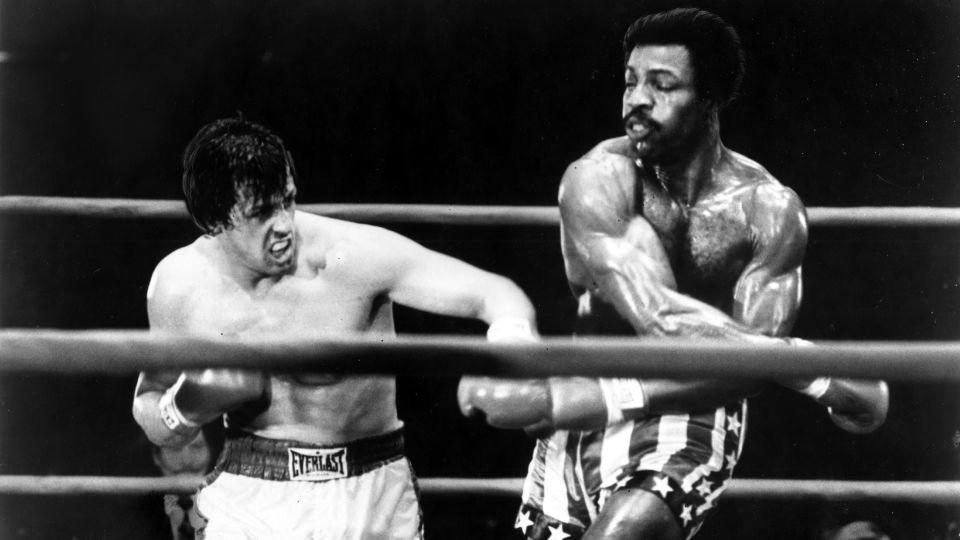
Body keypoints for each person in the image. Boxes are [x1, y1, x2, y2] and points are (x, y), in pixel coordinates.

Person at [459, 8, 888, 539]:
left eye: (663, 85)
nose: (637, 99)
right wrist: (810, 368)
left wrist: (600, 399)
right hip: (580, 408)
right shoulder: (597, 178)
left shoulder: (768, 211)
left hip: (693, 412)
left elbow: (744, 370)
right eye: (631, 81)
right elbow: (664, 318)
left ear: (709, 99)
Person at [132, 116, 538, 539]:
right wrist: (184, 408)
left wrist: (511, 355)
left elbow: (497, 295)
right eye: (261, 213)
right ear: (216, 221)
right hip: (249, 495)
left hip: (368, 488)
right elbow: (150, 402)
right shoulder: (180, 286)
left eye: (287, 201)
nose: (285, 225)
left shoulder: (350, 259)